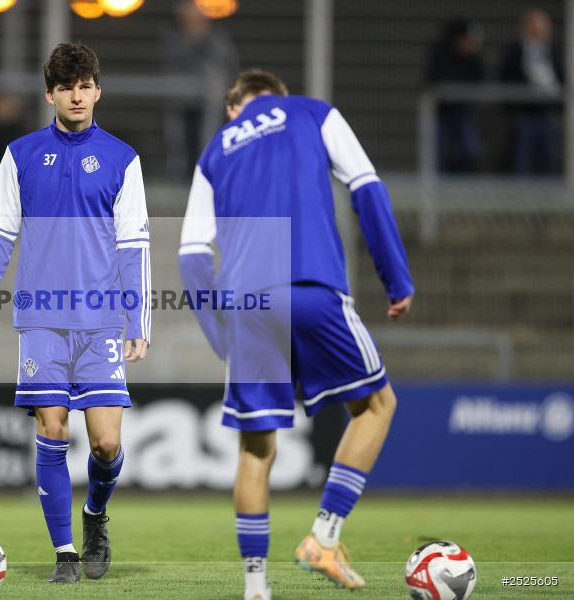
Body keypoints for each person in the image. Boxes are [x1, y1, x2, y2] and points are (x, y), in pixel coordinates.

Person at [179, 70, 414, 599]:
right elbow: (366, 188)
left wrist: (223, 337)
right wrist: (396, 278)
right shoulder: (311, 112)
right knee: (376, 405)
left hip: (247, 307)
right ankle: (323, 539)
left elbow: (192, 256)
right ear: (276, 98)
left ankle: (256, 588)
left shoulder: (215, 151)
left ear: (232, 109)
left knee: (257, 449)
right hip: (310, 283)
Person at [0, 43, 151, 584]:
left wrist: (139, 322)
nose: (76, 94)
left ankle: (94, 516)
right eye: (65, 86)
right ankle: (66, 552)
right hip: (41, 318)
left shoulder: (122, 158)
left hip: (100, 322)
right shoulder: (20, 154)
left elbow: (133, 243)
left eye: (84, 84)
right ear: (50, 94)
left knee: (107, 444)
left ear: (97, 90)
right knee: (52, 428)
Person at [162, 0, 239, 180]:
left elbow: (228, 69)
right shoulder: (172, 39)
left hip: (211, 105)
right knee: (179, 146)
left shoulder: (217, 40)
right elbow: (170, 69)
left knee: (207, 143)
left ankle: (204, 175)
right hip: (180, 104)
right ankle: (180, 177)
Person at [500, 8, 564, 175]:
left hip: (547, 115)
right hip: (523, 114)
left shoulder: (552, 52)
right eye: (536, 27)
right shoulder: (515, 52)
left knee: (548, 159)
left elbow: (561, 78)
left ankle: (547, 197)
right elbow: (506, 77)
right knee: (521, 158)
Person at [426, 19, 486, 173]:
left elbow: (480, 80)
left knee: (469, 150)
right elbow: (433, 79)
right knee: (437, 151)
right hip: (442, 113)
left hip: (464, 112)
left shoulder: (473, 58)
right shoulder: (440, 53)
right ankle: (437, 185)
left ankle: (466, 181)